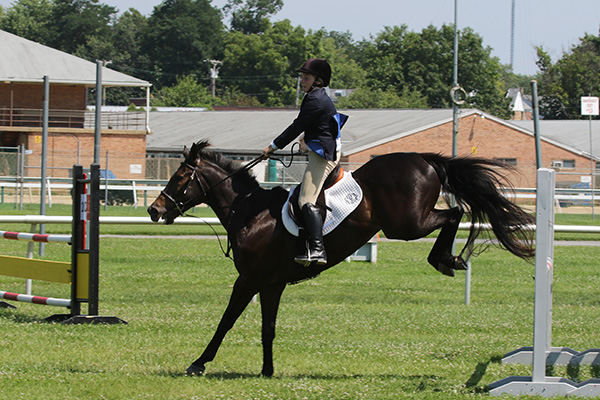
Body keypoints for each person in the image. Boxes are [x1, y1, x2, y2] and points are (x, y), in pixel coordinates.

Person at [262, 58, 346, 266]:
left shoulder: (314, 99)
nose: (302, 81)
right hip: (320, 148)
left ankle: (318, 249)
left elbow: (296, 126)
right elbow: (314, 126)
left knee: (305, 200)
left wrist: (272, 147)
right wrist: (307, 141)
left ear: (318, 80)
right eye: (302, 77)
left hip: (323, 155)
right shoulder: (317, 97)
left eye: (306, 77)